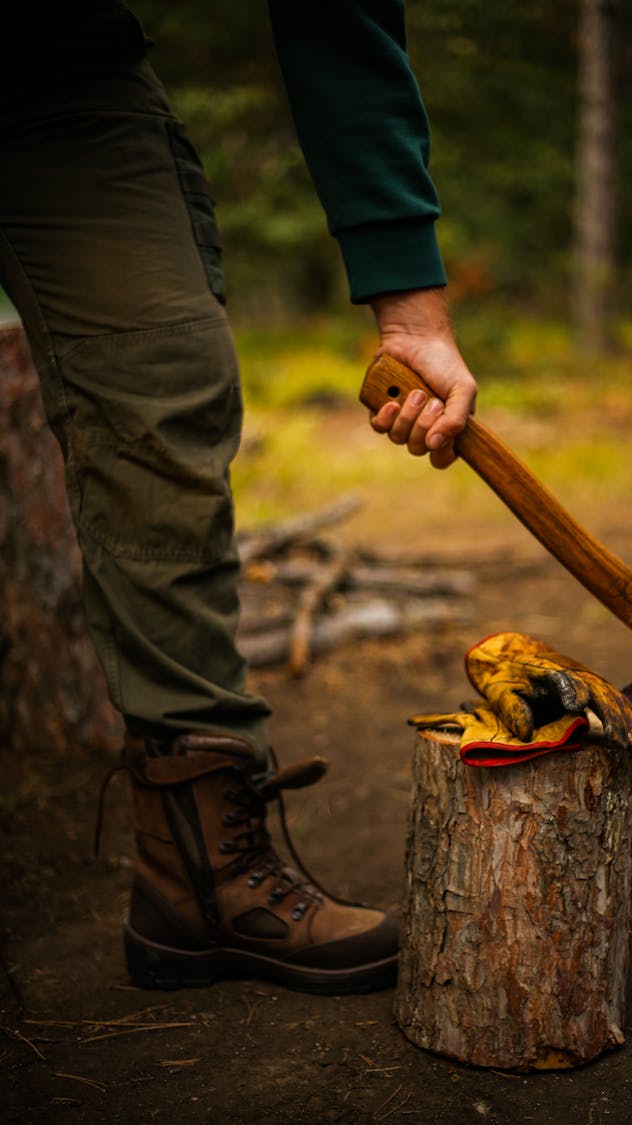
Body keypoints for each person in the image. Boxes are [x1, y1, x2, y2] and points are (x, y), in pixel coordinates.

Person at [0, 1, 476, 995]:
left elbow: (338, 13)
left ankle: (198, 879)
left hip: (54, 70)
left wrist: (408, 299)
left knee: (164, 386)